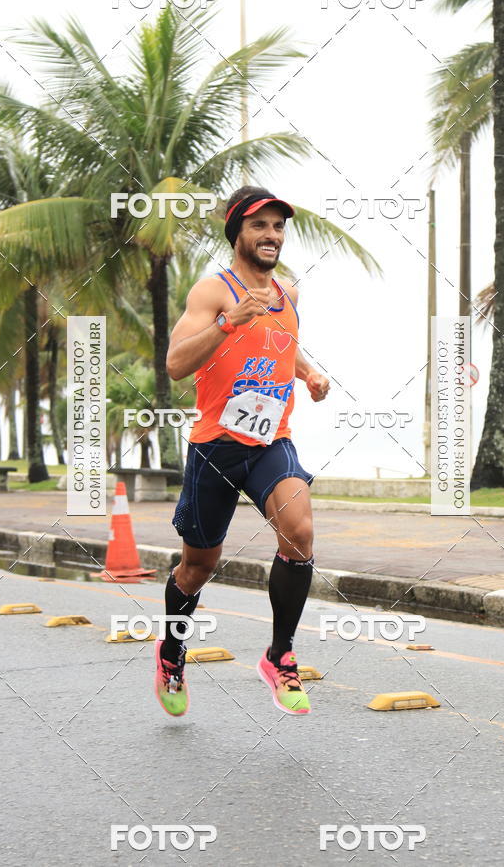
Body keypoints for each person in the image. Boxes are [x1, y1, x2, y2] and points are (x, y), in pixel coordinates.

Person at [154, 185, 330, 718]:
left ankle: (279, 656)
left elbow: (282, 346)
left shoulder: (288, 295)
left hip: (272, 442)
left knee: (299, 534)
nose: (272, 235)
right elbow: (176, 364)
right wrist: (230, 320)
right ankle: (172, 650)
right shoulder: (213, 291)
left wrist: (310, 373)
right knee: (196, 568)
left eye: (278, 226)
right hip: (216, 448)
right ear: (238, 234)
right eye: (260, 226)